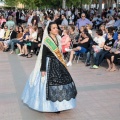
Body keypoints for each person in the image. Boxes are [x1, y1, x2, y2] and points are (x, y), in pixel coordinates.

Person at [21, 22, 77, 113]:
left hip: (58, 63)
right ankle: (53, 106)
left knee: (61, 83)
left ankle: (61, 104)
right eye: (54, 28)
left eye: (57, 27)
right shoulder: (47, 40)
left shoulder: (58, 38)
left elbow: (60, 53)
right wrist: (43, 69)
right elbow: (43, 56)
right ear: (49, 30)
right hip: (49, 63)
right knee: (50, 85)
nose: (56, 29)